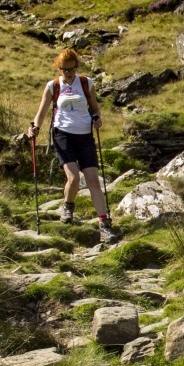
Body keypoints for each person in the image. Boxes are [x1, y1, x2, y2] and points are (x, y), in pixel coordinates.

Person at [28, 48, 120, 242]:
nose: (68, 74)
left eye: (71, 69)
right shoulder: (52, 86)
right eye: (64, 70)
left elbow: (95, 109)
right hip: (63, 136)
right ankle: (68, 206)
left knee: (94, 180)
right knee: (74, 178)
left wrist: (97, 119)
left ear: (76, 67)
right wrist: (34, 128)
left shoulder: (86, 83)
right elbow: (42, 112)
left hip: (85, 136)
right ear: (59, 68)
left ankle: (104, 225)